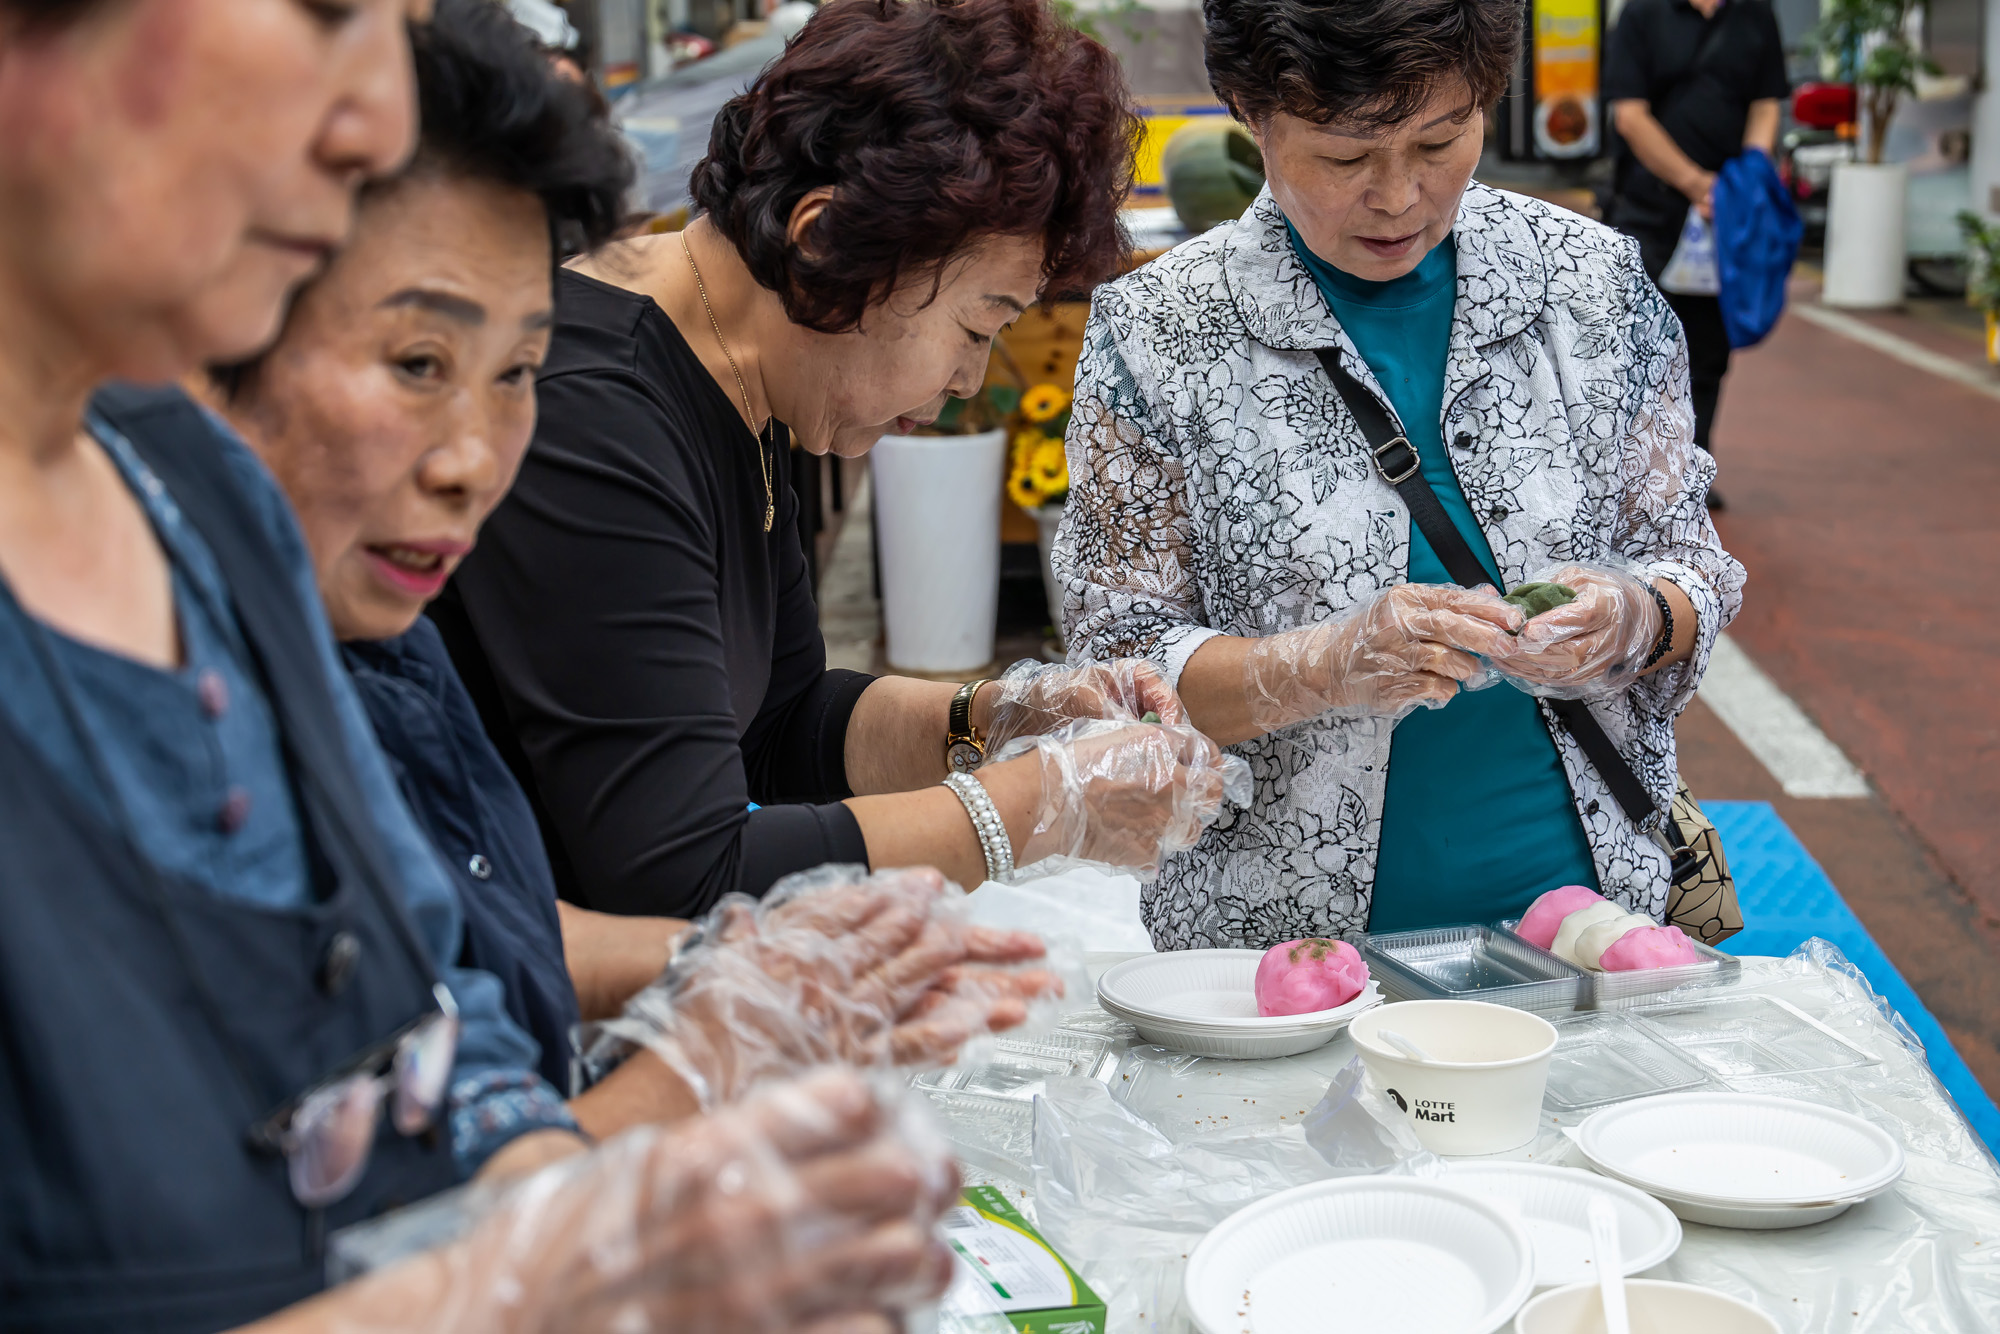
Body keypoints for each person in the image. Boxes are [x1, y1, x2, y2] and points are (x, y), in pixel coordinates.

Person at [0, 0, 954, 1327]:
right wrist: (536, 1269)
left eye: (518, 373)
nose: (377, 111)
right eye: (331, 15)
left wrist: (579, 1206)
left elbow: (432, 1000)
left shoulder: (198, 497)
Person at [204, 0, 1055, 1114]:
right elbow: (668, 874)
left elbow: (488, 926)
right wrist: (1022, 807)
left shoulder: (395, 658)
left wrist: (981, 724)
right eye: (416, 362)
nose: (472, 462)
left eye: (514, 372)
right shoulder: (196, 676)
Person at [433, 0, 1239, 919]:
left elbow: (779, 728)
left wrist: (1002, 717)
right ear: (825, 241)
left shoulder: (755, 365)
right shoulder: (591, 414)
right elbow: (684, 872)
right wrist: (1034, 807)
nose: (971, 381)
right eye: (977, 325)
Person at [1054, 0, 1747, 949]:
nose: (1397, 197)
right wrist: (1317, 668)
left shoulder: (1589, 284)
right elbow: (1118, 665)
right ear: (1250, 111)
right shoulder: (1160, 335)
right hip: (1277, 953)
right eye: (1344, 157)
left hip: (1588, 926)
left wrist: (1638, 616)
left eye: (1440, 140)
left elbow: (1689, 561)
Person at [1604, 0, 1790, 510]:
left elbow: (1765, 102)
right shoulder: (1642, 15)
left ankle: (1690, 479)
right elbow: (1630, 115)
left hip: (1725, 216)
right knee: (1636, 352)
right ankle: (1630, 482)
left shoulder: (1754, 14)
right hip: (1650, 208)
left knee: (1708, 351)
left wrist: (1746, 176)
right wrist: (1694, 182)